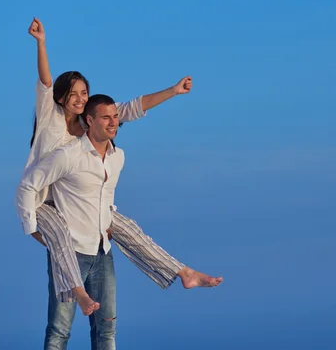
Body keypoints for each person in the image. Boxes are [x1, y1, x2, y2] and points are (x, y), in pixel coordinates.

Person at [17, 18, 222, 318]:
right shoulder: (50, 114)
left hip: (73, 201)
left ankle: (183, 272)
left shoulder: (88, 125)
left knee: (128, 228)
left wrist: (174, 91)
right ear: (61, 98)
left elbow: (130, 109)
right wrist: (41, 43)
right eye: (72, 94)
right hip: (42, 200)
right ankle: (80, 294)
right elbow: (46, 82)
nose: (79, 99)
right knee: (60, 234)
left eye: (83, 93)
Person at [18, 95, 138, 348]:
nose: (113, 122)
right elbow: (29, 185)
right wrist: (31, 229)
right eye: (106, 117)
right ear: (89, 120)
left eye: (115, 117)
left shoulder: (119, 157)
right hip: (69, 251)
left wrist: (107, 219)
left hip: (102, 250)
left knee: (107, 329)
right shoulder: (68, 155)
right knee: (59, 331)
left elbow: (104, 197)